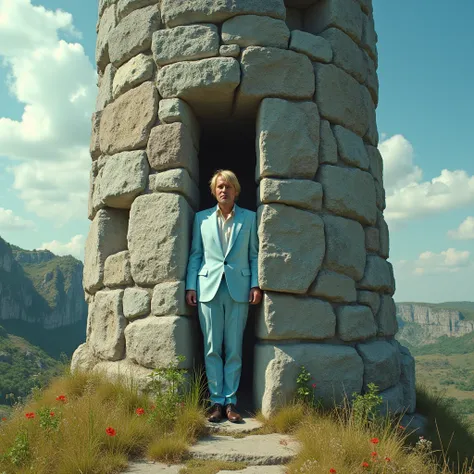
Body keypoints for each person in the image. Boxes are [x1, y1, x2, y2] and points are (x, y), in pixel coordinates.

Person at [185, 170, 262, 423]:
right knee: (211, 348)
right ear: (214, 191)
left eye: (228, 186)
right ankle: (216, 402)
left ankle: (231, 403)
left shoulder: (250, 219)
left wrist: (255, 284)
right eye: (219, 186)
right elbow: (196, 254)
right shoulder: (201, 219)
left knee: (234, 349)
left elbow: (253, 255)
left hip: (238, 289)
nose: (223, 190)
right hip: (208, 289)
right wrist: (190, 286)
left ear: (236, 190)